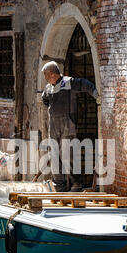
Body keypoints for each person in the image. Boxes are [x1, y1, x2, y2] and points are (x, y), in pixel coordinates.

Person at [41, 61, 98, 192]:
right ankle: (59, 184)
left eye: (45, 74)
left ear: (52, 74)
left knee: (68, 155)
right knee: (55, 155)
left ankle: (76, 183)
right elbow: (44, 99)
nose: (45, 77)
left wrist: (95, 93)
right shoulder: (48, 88)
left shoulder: (68, 82)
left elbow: (84, 84)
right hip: (54, 126)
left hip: (68, 124)